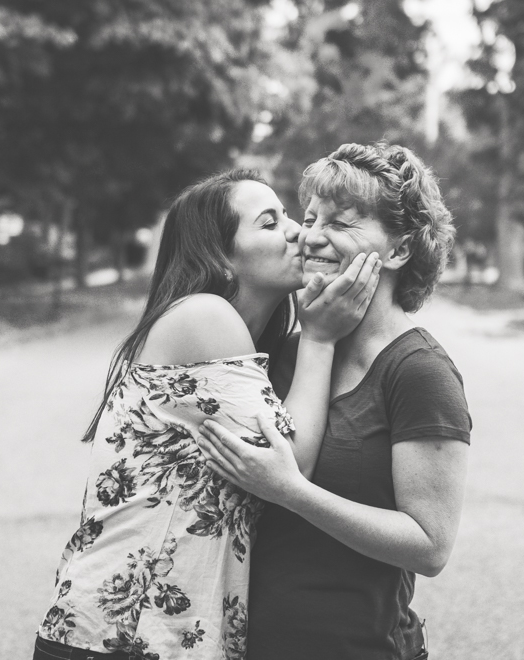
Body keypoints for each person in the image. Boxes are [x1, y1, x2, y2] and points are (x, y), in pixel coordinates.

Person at [33, 169, 381, 660]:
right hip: (118, 639)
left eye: (287, 216)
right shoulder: (204, 317)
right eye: (268, 222)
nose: (298, 232)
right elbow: (289, 470)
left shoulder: (242, 342)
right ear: (220, 254)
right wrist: (321, 339)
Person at [197, 143, 472, 660]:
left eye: (342, 224)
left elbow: (430, 545)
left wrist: (293, 492)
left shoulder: (420, 373)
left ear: (399, 250)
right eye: (310, 217)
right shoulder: (289, 352)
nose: (311, 235)